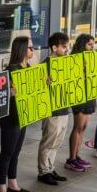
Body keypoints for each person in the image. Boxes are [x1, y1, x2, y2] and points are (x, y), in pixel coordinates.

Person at [0, 36, 33, 192]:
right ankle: (2, 190)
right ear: (22, 50)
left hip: (23, 115)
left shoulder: (29, 67)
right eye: (30, 48)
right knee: (7, 153)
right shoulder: (11, 69)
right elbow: (3, 93)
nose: (32, 50)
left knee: (16, 152)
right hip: (11, 117)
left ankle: (13, 184)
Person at [37, 32, 70, 183]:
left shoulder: (65, 63)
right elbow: (36, 89)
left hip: (64, 108)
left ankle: (50, 168)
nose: (67, 50)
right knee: (49, 141)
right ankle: (43, 172)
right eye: (64, 47)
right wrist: (45, 83)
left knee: (57, 142)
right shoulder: (45, 65)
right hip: (51, 110)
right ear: (54, 47)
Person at [67, 34, 95, 172]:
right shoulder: (74, 59)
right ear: (82, 44)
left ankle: (77, 155)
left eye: (93, 44)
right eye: (89, 44)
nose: (92, 47)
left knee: (83, 127)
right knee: (77, 127)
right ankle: (71, 159)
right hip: (79, 96)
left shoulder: (92, 58)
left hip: (90, 95)